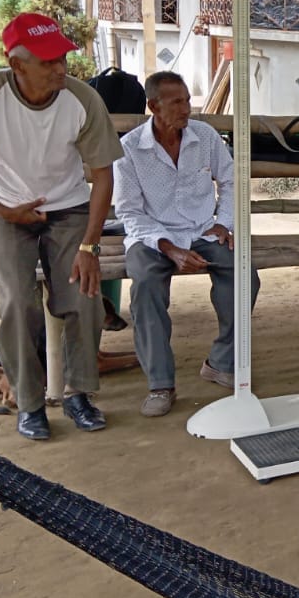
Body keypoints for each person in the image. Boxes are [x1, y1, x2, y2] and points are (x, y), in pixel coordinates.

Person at [0, 13, 122, 440]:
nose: (60, 68)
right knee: (18, 303)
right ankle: (29, 401)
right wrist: (2, 209)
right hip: (4, 208)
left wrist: (90, 247)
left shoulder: (81, 98)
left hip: (68, 208)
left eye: (62, 58)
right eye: (48, 61)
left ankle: (78, 394)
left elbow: (102, 175)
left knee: (83, 294)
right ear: (16, 64)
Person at [112, 71, 258, 417]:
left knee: (244, 276)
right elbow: (129, 212)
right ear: (153, 106)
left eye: (188, 100)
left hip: (202, 230)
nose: (186, 109)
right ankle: (160, 384)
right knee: (145, 286)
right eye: (177, 102)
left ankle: (221, 362)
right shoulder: (129, 149)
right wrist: (169, 247)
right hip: (151, 237)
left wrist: (223, 223)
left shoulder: (204, 136)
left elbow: (232, 181)